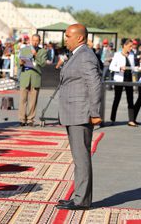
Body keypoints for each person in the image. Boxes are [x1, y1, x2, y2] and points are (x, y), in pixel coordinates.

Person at [56, 24, 102, 210]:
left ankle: (81, 200)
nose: (65, 39)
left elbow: (95, 85)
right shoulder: (77, 55)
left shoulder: (85, 57)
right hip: (74, 113)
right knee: (78, 158)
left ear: (80, 38)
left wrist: (95, 113)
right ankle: (79, 196)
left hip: (80, 115)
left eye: (68, 36)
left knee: (81, 158)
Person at [18, 34, 47, 126]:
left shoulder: (43, 51)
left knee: (33, 101)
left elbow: (43, 64)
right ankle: (22, 119)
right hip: (25, 77)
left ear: (39, 41)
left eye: (37, 41)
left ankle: (30, 119)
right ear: (31, 40)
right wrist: (21, 62)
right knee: (23, 100)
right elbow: (18, 62)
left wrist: (36, 55)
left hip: (35, 77)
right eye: (33, 40)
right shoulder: (24, 49)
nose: (35, 42)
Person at [109, 38, 137, 127]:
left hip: (129, 79)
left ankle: (131, 120)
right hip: (119, 79)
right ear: (124, 45)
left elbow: (132, 67)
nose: (131, 48)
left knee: (130, 99)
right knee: (117, 99)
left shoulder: (132, 54)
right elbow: (111, 67)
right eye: (130, 46)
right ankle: (112, 119)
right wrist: (120, 68)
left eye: (132, 46)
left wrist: (135, 69)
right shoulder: (117, 55)